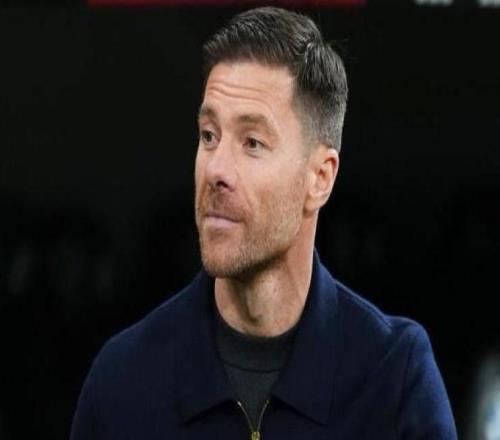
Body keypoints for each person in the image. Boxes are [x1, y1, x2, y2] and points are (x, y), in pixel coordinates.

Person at [70, 7, 457, 439]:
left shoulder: (394, 378)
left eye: (252, 142)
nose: (216, 169)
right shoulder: (124, 379)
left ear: (320, 178)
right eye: (209, 136)